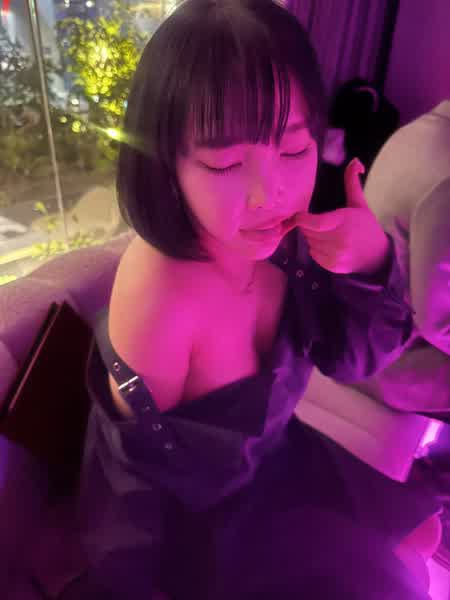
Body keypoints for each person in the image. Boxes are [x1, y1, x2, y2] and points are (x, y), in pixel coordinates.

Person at [31, 1, 443, 598]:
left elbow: (352, 360)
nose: (268, 194)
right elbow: (132, 491)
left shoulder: (286, 242)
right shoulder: (162, 294)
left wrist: (370, 262)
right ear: (164, 164)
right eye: (225, 163)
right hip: (199, 527)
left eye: (295, 151)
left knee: (422, 534)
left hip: (280, 463)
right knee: (397, 577)